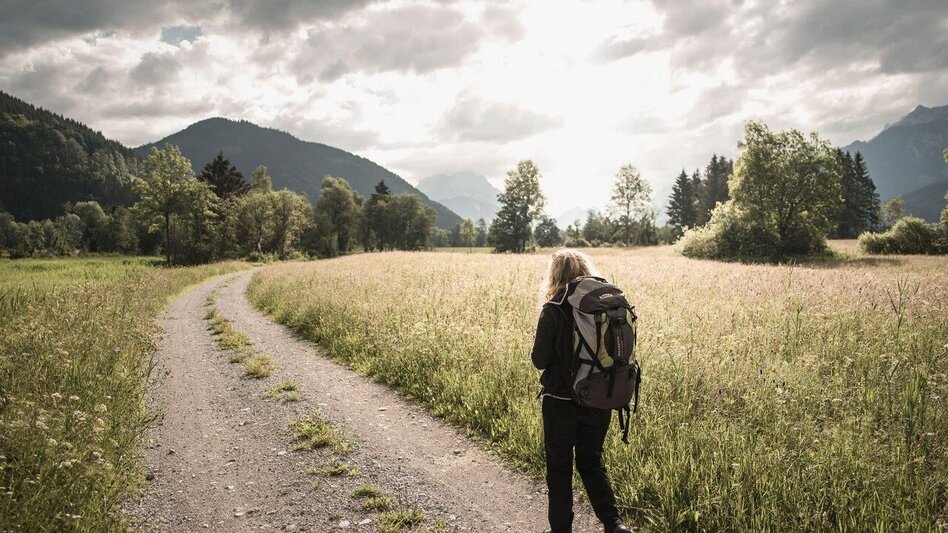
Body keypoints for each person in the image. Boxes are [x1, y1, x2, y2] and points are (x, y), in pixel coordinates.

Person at [531, 248, 632, 533]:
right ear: (586, 271)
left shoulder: (553, 309)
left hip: (561, 401)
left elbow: (540, 360)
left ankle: (561, 530)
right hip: (600, 397)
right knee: (591, 462)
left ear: (554, 275)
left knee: (560, 468)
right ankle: (614, 525)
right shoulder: (605, 309)